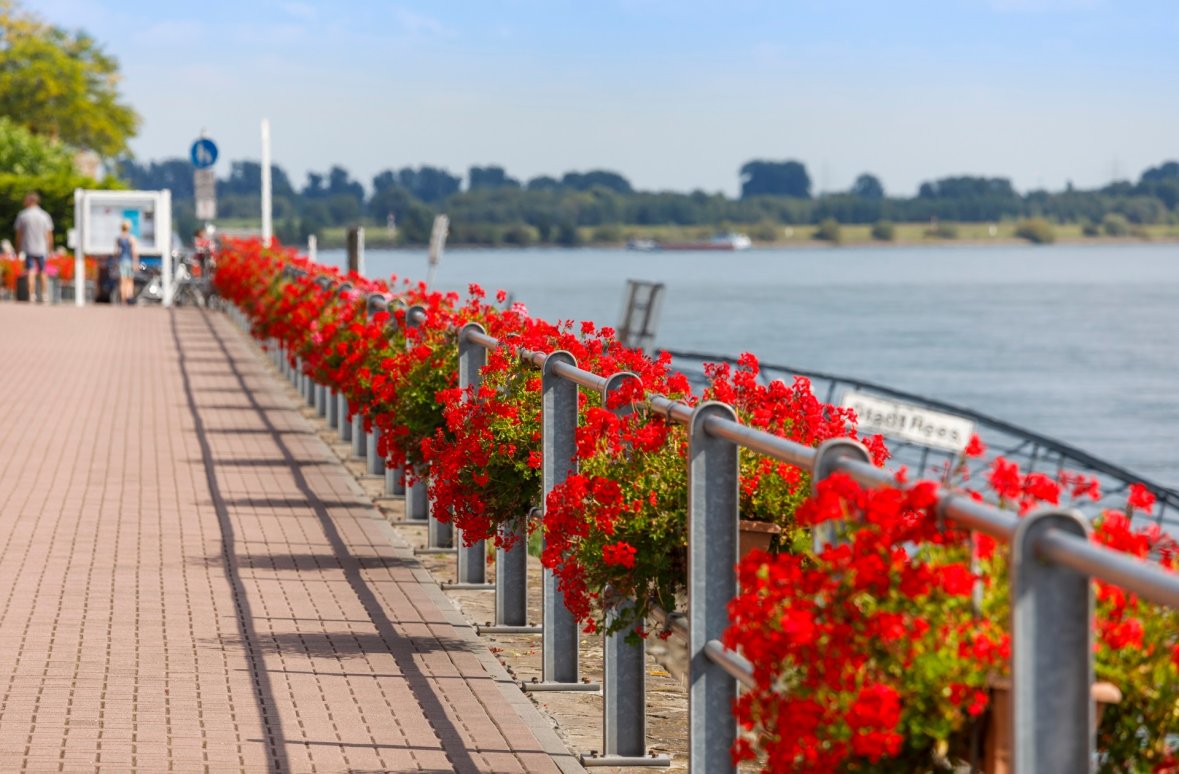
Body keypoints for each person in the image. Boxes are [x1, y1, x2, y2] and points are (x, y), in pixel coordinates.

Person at [14, 192, 53, 303]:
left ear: (29, 201)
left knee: (30, 270)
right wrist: (50, 247)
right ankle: (45, 295)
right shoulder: (44, 215)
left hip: (28, 247)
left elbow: (19, 234)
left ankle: (32, 295)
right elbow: (49, 233)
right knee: (43, 271)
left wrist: (17, 247)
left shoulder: (23, 215)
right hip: (42, 247)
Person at [114, 220, 138, 304]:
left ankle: (123, 299)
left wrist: (116, 262)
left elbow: (116, 252)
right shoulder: (131, 238)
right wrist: (135, 263)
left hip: (121, 261)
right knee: (130, 281)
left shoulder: (119, 239)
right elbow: (134, 252)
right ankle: (129, 297)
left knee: (122, 281)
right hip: (129, 261)